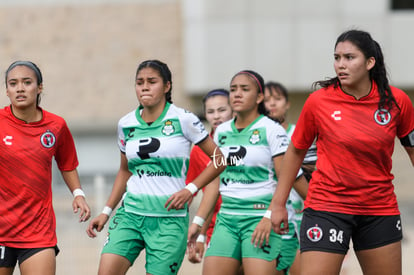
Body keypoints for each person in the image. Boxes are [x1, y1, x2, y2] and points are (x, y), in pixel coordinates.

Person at [271, 29, 414, 275]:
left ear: (370, 62)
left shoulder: (397, 101)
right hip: (327, 207)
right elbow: (295, 152)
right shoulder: (319, 101)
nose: (341, 65)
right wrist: (278, 203)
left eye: (349, 57)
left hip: (379, 209)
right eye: (337, 58)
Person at [86, 59, 226, 275]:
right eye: (139, 82)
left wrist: (191, 189)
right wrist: (106, 211)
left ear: (167, 86)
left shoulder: (184, 119)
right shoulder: (126, 123)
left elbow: (220, 159)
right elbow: (125, 170)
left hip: (169, 220)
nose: (144, 86)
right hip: (130, 214)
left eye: (152, 81)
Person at [187, 70, 308, 275]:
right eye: (233, 89)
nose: (237, 94)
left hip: (259, 218)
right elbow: (214, 184)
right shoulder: (222, 131)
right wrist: (198, 223)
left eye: (244, 89)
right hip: (227, 220)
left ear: (259, 97)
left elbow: (286, 180)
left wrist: (269, 216)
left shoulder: (271, 130)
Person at [0, 61, 91, 275]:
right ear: (7, 90)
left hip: (38, 231)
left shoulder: (56, 125)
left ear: (39, 87)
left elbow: (67, 163)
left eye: (27, 82)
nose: (20, 88)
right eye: (13, 83)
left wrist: (78, 193)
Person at [264, 82, 316, 275]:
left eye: (277, 99)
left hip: (301, 213)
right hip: (267, 213)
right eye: (267, 100)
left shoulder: (299, 133)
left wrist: (287, 166)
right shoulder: (259, 133)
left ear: (287, 104)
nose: (272, 104)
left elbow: (312, 169)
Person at [186, 89, 233, 264]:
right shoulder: (199, 151)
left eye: (222, 110)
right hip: (214, 226)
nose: (216, 116)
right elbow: (191, 191)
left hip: (251, 219)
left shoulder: (245, 143)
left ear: (233, 109)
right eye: (210, 112)